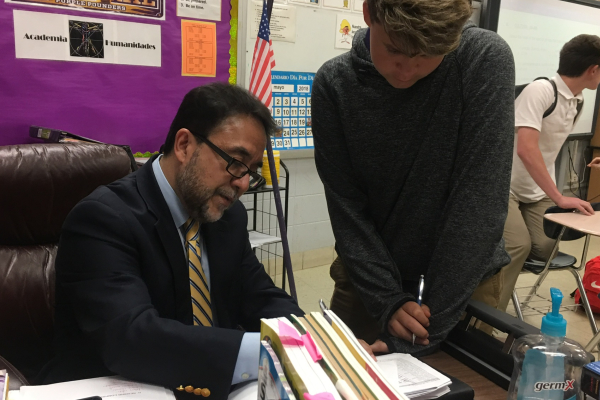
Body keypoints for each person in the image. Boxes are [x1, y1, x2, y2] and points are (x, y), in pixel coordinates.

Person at [40, 83, 304, 399]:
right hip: (122, 387)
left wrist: (312, 338)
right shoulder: (104, 218)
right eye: (235, 161)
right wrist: (266, 349)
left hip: (212, 384)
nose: (243, 183)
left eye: (252, 171)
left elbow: (259, 294)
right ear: (184, 145)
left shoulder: (227, 217)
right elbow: (133, 339)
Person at [312, 0, 515, 355]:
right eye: (394, 49)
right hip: (366, 281)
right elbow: (347, 209)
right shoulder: (335, 83)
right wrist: (387, 299)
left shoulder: (482, 58)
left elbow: (478, 203)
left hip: (460, 285)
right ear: (368, 13)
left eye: (430, 54)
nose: (407, 69)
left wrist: (424, 332)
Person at [497, 34, 600, 313]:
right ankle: (487, 319)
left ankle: (490, 253)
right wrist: (559, 196)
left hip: (536, 191)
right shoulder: (541, 90)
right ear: (593, 69)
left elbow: (551, 149)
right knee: (517, 247)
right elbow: (526, 150)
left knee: (547, 248)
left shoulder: (577, 101)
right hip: (503, 187)